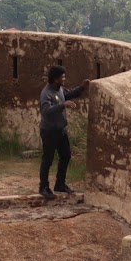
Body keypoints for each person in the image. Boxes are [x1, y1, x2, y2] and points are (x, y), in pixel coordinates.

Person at [38, 64, 85, 200]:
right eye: (62, 77)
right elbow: (46, 111)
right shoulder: (46, 93)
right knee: (48, 159)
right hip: (49, 132)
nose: (64, 79)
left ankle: (60, 184)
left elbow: (68, 94)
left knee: (66, 156)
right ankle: (43, 187)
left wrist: (82, 88)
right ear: (55, 79)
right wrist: (62, 105)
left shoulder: (60, 89)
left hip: (60, 131)